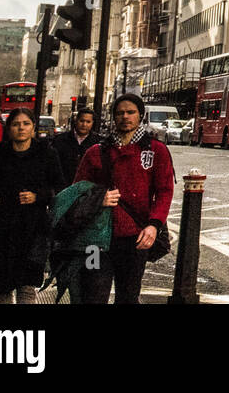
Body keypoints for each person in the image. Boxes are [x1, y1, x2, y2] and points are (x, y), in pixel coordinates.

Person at [74, 93, 174, 304]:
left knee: (128, 297)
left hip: (135, 238)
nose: (125, 117)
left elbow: (164, 191)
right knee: (92, 295)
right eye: (119, 113)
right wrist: (98, 199)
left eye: (130, 112)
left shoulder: (157, 151)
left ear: (140, 116)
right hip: (97, 239)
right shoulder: (95, 152)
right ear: (113, 117)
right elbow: (77, 191)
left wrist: (154, 225)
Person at [0, 108, 65, 304]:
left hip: (34, 225)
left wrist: (39, 196)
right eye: (16, 124)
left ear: (33, 127)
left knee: (27, 283)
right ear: (9, 129)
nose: (21, 128)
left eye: (26, 124)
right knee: (1, 282)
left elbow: (59, 188)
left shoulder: (47, 154)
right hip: (2, 225)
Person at [53, 109, 97, 188]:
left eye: (88, 122)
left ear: (92, 123)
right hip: (63, 188)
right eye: (82, 121)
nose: (84, 124)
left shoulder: (98, 142)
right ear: (76, 121)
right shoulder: (59, 140)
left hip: (88, 190)